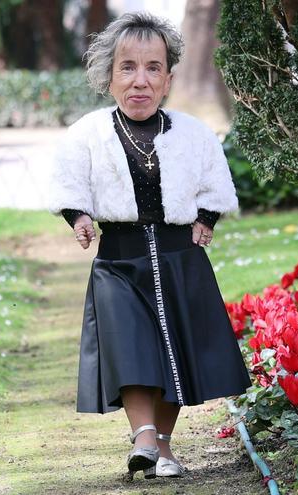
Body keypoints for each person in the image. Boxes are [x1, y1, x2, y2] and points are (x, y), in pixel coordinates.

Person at [47, 12, 251, 480]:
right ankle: (141, 437)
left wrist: (206, 218)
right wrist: (78, 216)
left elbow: (213, 182)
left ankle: (164, 447)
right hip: (120, 260)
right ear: (109, 76)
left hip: (181, 257)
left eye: (153, 69)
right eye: (128, 68)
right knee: (133, 348)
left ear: (168, 79)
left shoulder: (192, 133)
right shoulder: (89, 134)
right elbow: (68, 182)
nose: (140, 80)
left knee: (175, 351)